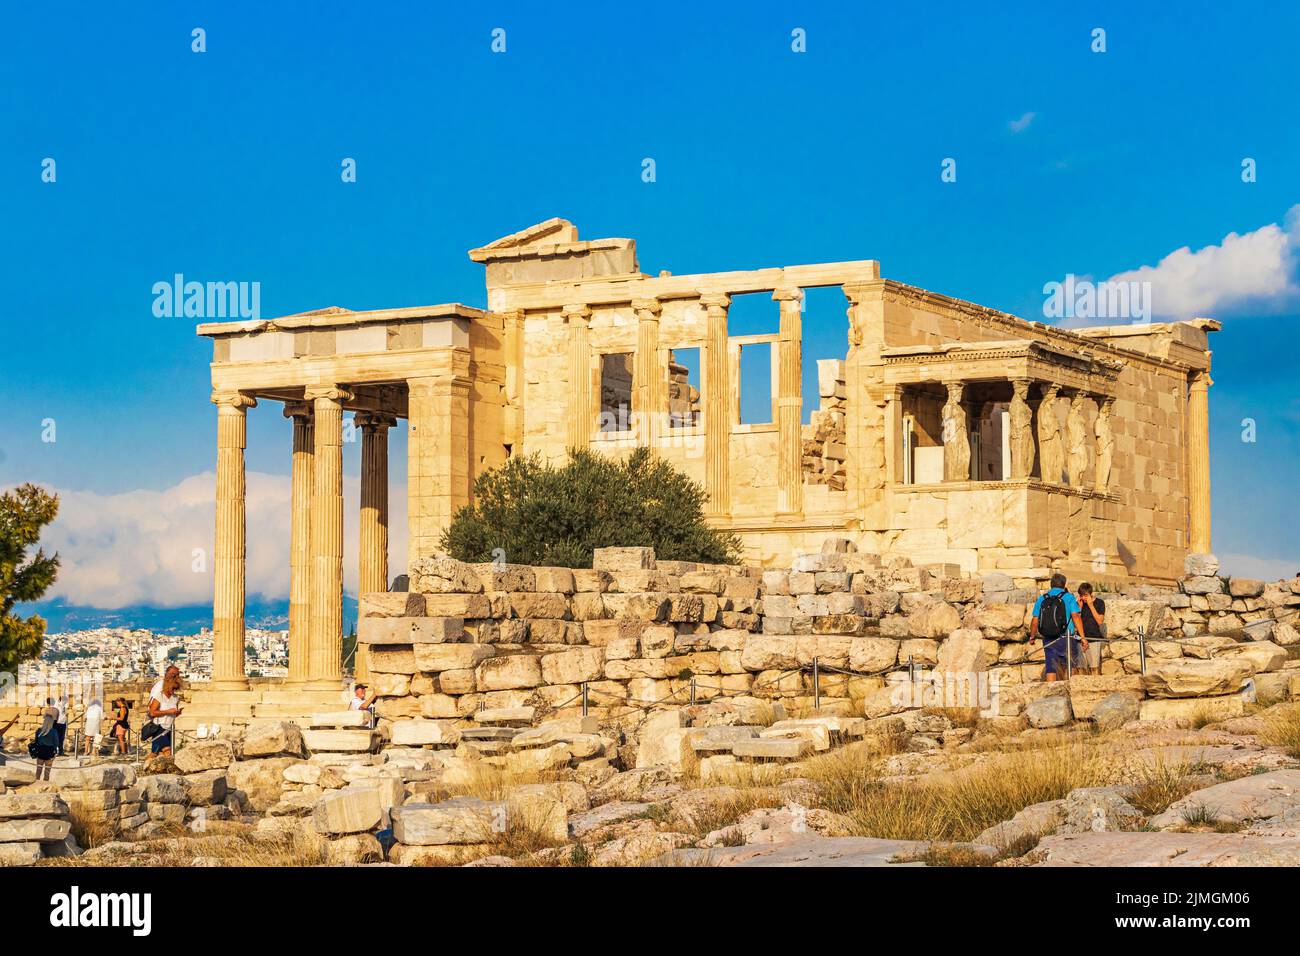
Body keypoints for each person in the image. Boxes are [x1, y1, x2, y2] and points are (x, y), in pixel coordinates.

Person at [1028, 572, 1087, 682]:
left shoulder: (1042, 598)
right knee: (1071, 666)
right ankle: (1070, 692)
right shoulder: (1069, 597)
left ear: (1051, 585)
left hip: (1049, 639)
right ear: (1064, 585)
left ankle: (1052, 694)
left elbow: (1035, 620)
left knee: (1051, 668)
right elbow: (1076, 616)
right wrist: (1083, 637)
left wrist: (1032, 636)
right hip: (1067, 638)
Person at [147, 666, 184, 759]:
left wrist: (176, 713)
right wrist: (169, 711)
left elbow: (171, 711)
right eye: (173, 674)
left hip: (169, 728)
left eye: (177, 674)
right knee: (168, 752)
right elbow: (151, 711)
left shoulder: (175, 698)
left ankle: (146, 768)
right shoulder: (159, 691)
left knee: (155, 754)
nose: (175, 676)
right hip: (159, 727)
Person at [1076, 582, 1107, 675]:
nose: (1083, 598)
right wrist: (1079, 608)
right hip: (1080, 640)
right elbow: (1075, 622)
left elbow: (1100, 621)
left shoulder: (1099, 603)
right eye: (1081, 595)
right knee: (1081, 670)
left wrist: (1091, 605)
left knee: (1094, 668)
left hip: (1094, 639)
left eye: (1085, 595)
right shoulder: (1079, 604)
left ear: (1091, 594)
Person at [30, 701, 61, 780]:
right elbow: (56, 743)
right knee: (47, 772)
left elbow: (36, 740)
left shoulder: (39, 730)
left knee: (38, 770)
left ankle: (37, 785)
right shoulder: (54, 731)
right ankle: (45, 785)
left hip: (40, 750)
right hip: (50, 751)